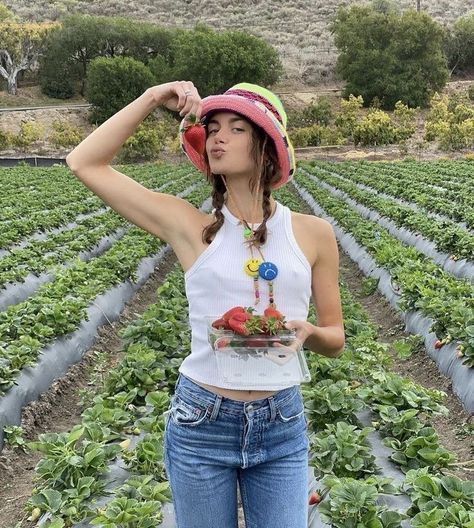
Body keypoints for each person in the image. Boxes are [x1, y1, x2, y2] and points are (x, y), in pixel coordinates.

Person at [66, 80, 345, 528]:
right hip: (203, 422)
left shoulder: (314, 233)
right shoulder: (189, 227)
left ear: (267, 147)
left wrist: (308, 334)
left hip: (282, 422)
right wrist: (153, 97)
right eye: (212, 127)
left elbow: (336, 337)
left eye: (236, 128)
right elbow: (84, 162)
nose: (217, 136)